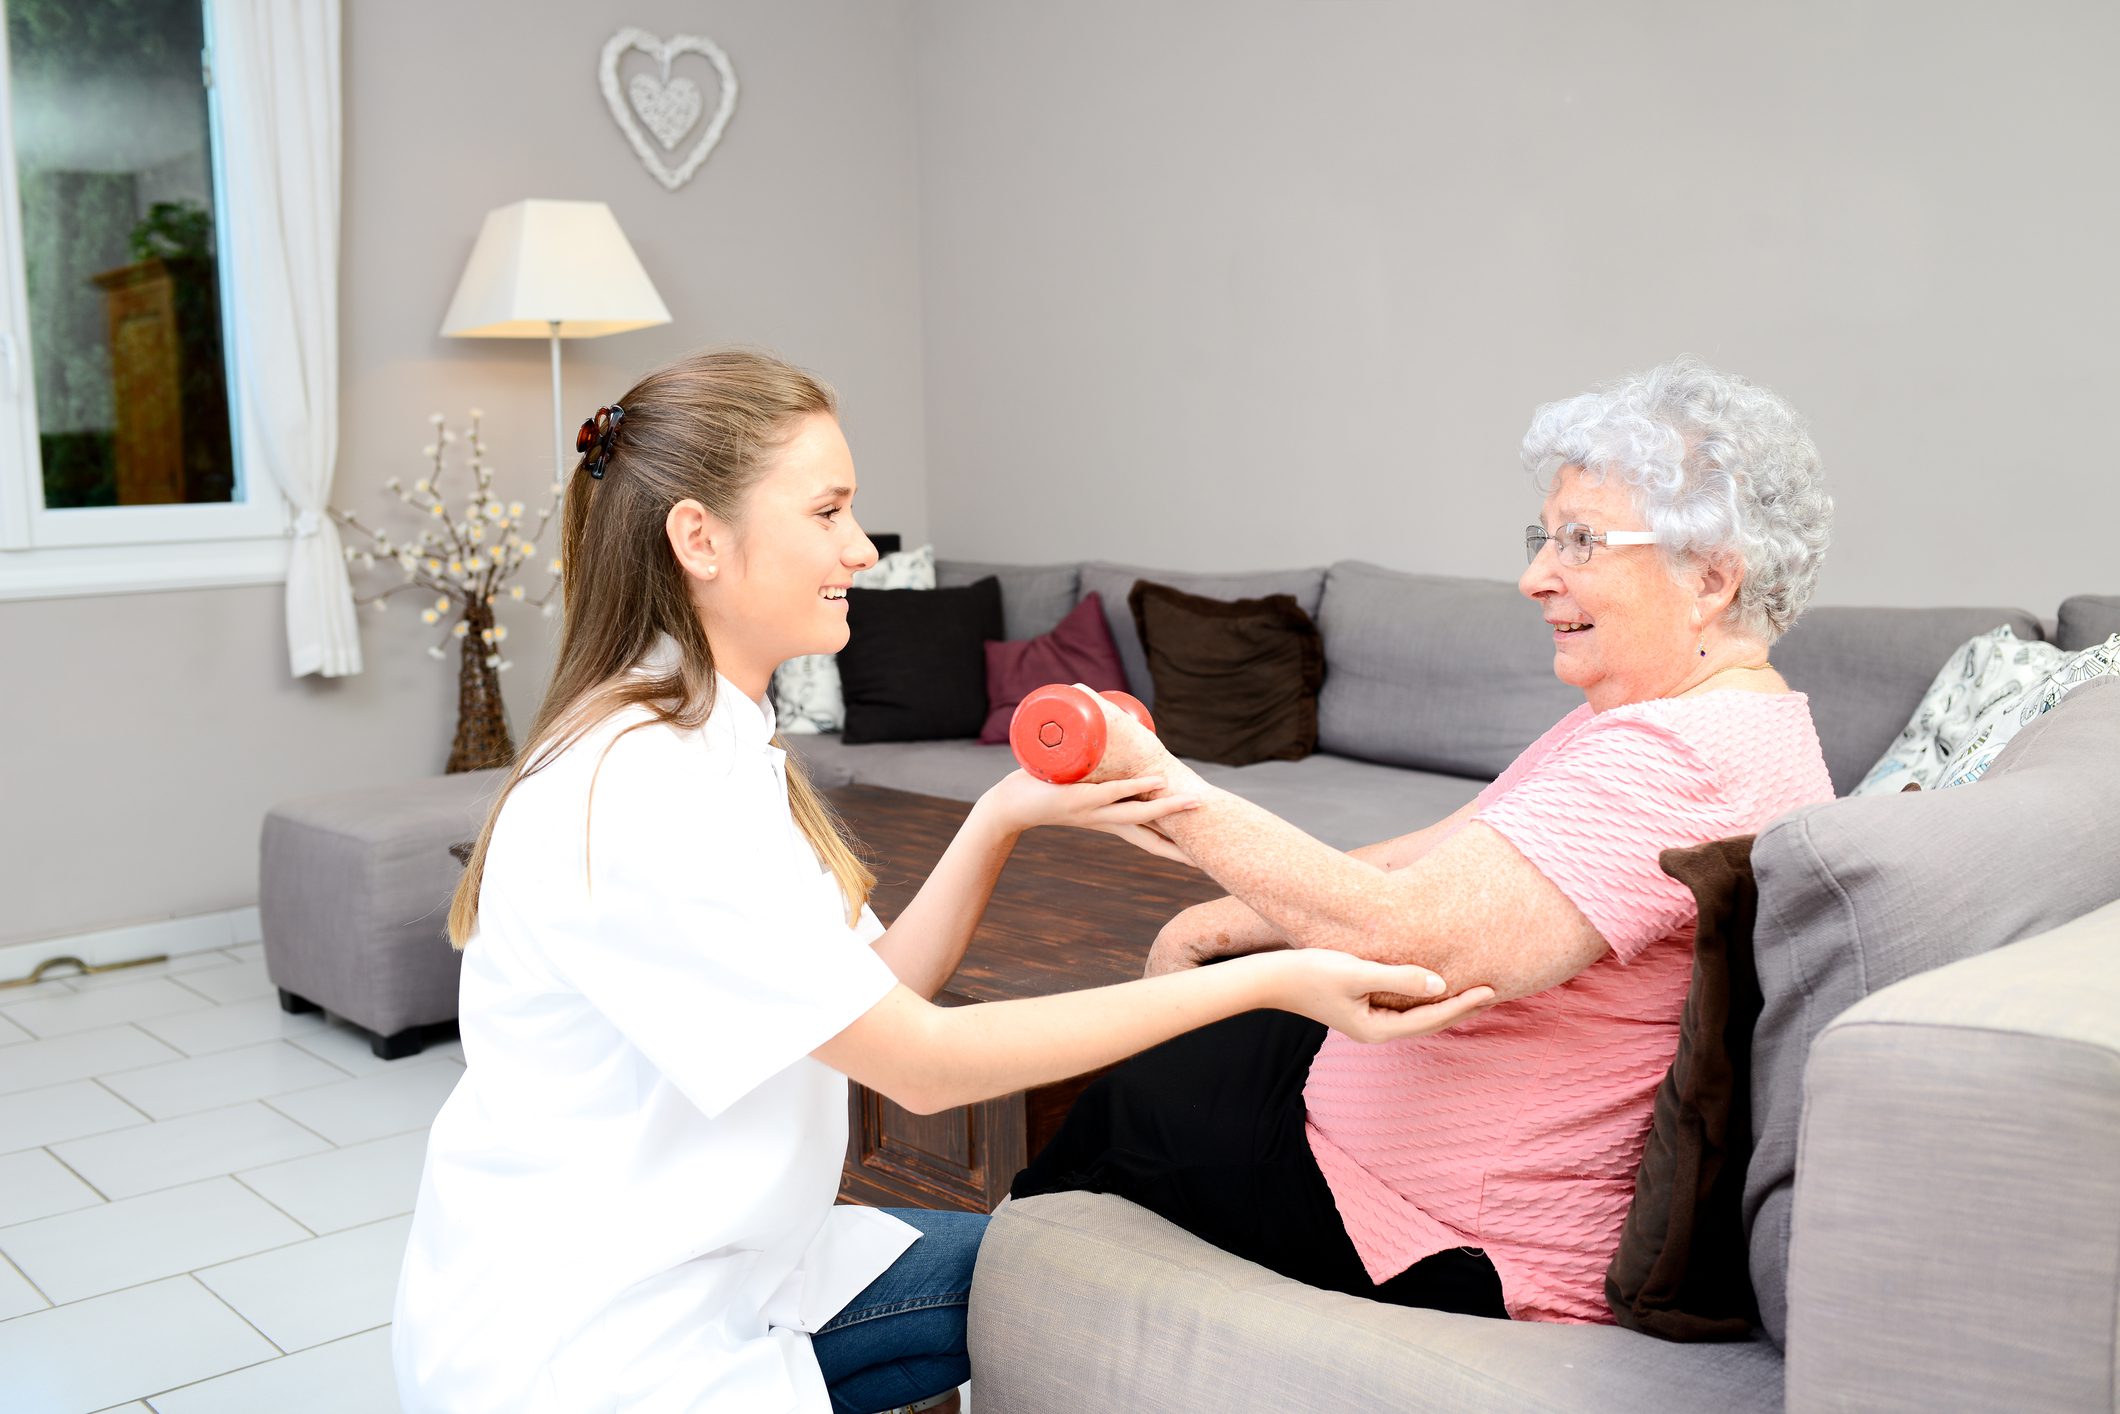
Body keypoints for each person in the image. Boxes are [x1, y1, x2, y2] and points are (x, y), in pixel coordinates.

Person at [390, 349, 1487, 1414]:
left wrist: (1001, 813)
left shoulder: (714, 743)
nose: (860, 549)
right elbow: (920, 1064)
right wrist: (1264, 980)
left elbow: (880, 988)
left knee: (1077, 1259)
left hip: (744, 1272)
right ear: (699, 539)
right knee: (1101, 1265)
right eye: (826, 512)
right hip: (602, 1351)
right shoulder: (640, 791)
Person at [1012, 354, 1839, 1325]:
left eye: (1578, 540)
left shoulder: (1681, 757)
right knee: (1178, 1040)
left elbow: (1409, 938)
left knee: (1119, 1105)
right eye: (1542, 535)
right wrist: (1228, 915)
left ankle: (1004, 1320)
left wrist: (1163, 786)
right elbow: (1431, 849)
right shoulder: (1672, 715)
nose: (1534, 575)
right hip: (1387, 1130)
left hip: (1447, 1227)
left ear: (1708, 576)